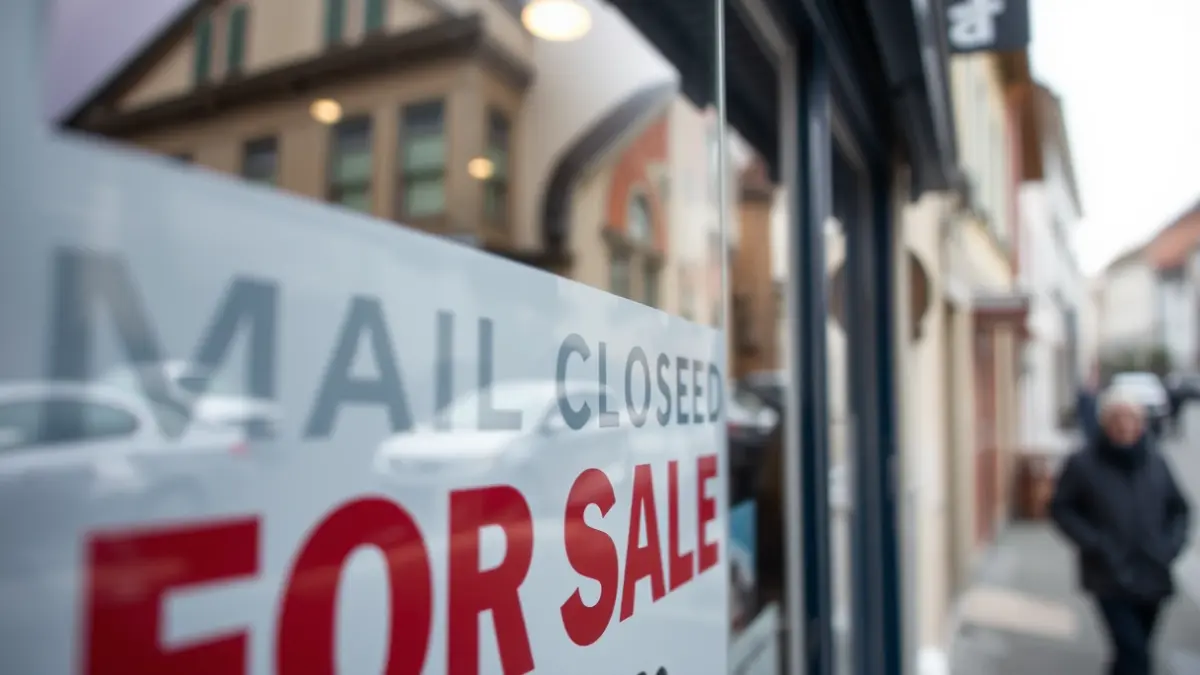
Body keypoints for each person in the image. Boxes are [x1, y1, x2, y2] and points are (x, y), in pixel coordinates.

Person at [1050, 389, 1192, 675]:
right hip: (1109, 574)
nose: (1125, 425)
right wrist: (1095, 542)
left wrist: (1170, 546)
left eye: (1132, 418)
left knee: (1133, 652)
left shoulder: (1155, 460)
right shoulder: (1083, 463)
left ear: (1141, 423)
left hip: (1153, 572)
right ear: (1105, 422)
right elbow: (1061, 508)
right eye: (1118, 418)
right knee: (1135, 654)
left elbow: (1179, 509)